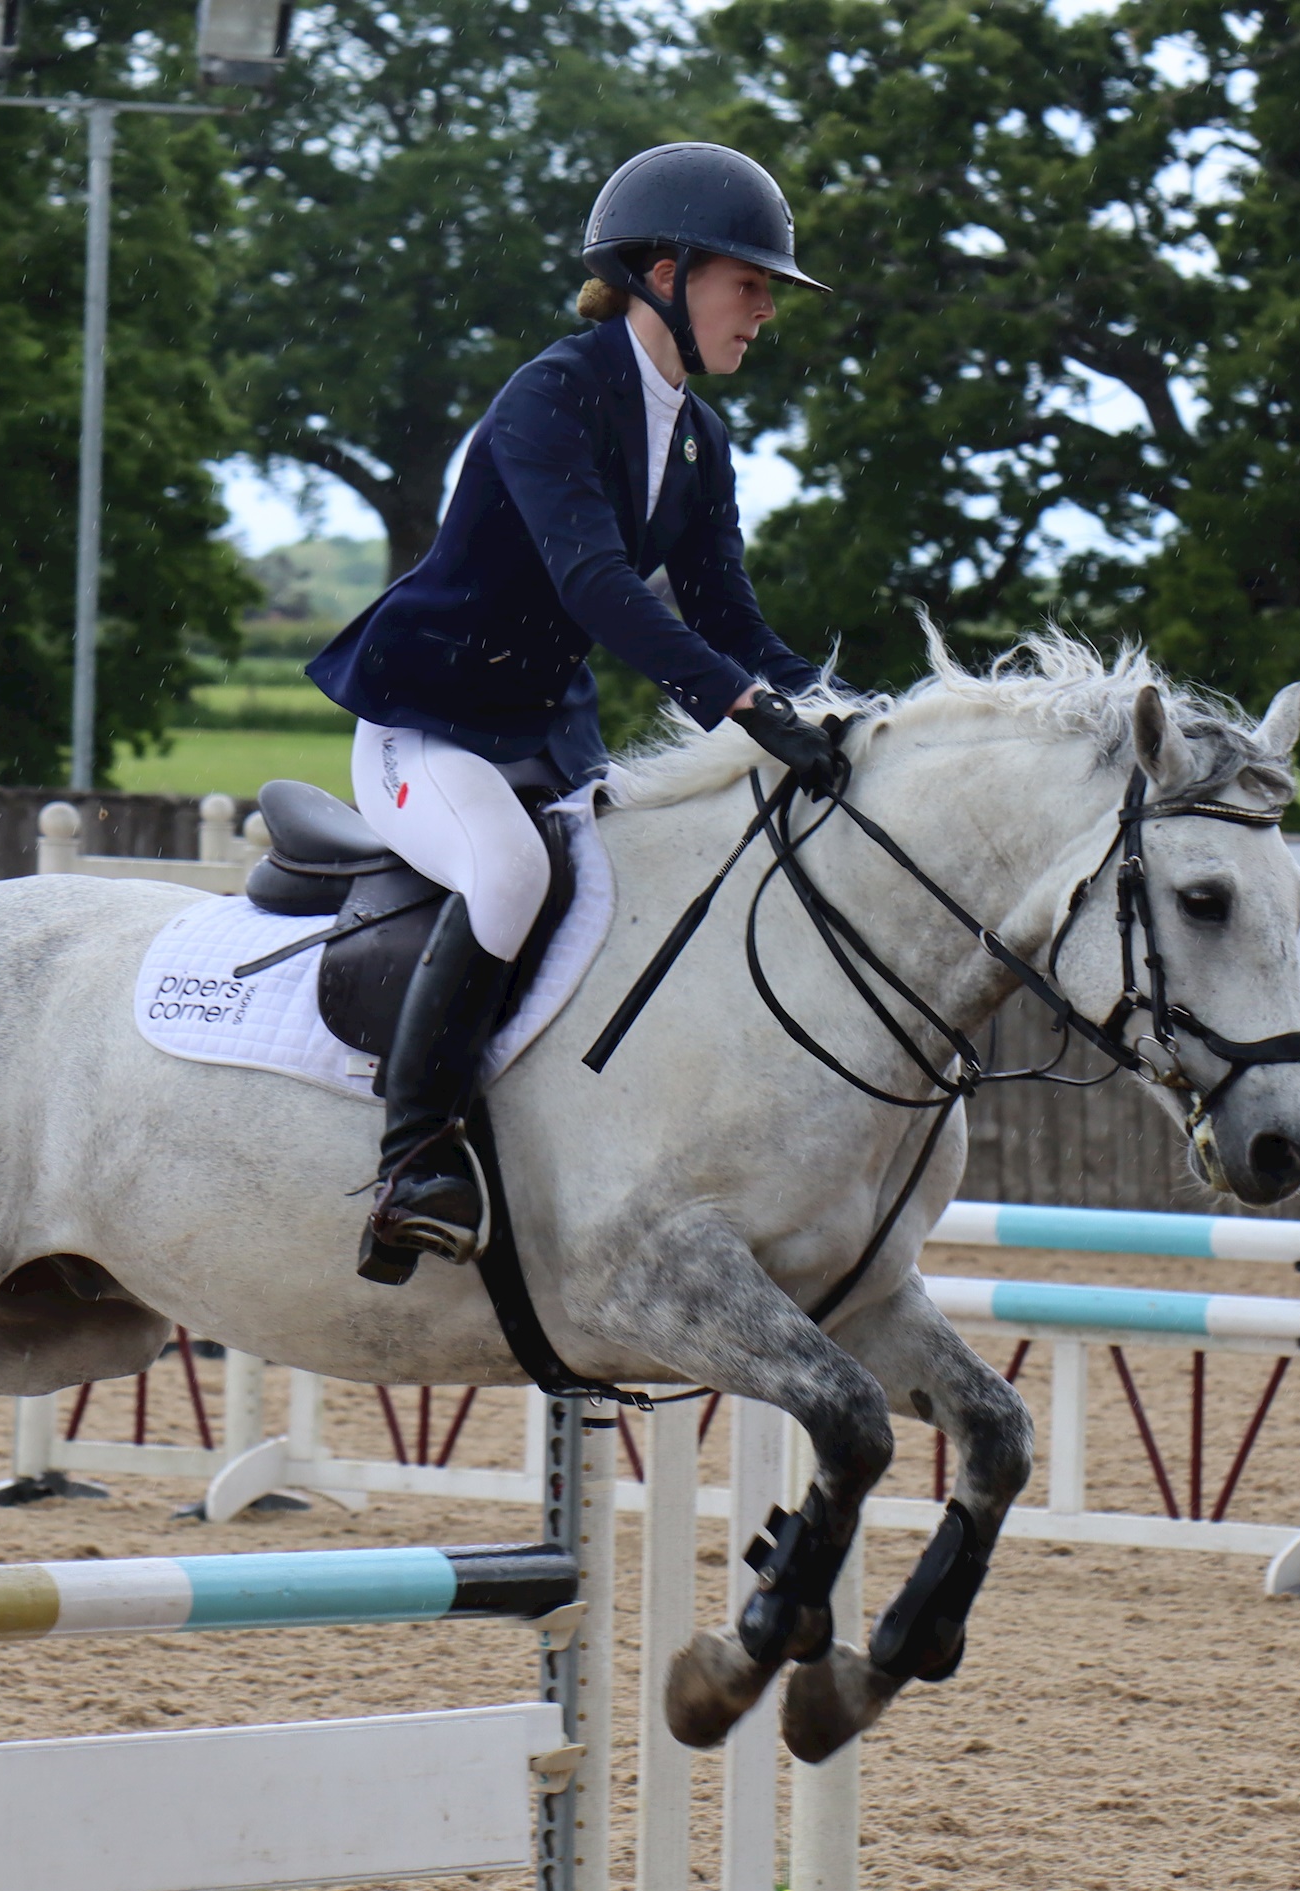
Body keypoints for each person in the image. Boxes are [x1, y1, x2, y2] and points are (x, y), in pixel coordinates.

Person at [306, 140, 853, 1284]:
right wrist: (741, 706)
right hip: (428, 725)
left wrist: (840, 711)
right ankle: (411, 1164)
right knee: (508, 874)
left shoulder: (699, 439)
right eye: (748, 284)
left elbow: (730, 616)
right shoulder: (553, 392)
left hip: (549, 738)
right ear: (665, 271)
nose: (763, 311)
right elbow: (595, 585)